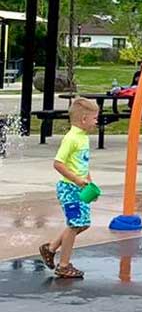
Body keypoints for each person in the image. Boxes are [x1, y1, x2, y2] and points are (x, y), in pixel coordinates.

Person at [39, 98, 99, 279]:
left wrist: (89, 182)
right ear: (83, 120)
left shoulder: (83, 138)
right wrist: (77, 180)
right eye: (94, 118)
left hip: (79, 187)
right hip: (69, 188)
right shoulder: (71, 139)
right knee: (74, 225)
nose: (97, 121)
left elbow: (82, 164)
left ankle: (50, 248)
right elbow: (58, 164)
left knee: (83, 224)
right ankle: (63, 266)